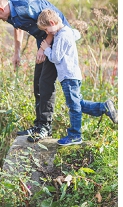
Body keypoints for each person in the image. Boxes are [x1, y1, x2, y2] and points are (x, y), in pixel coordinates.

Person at [0, 0, 70, 142]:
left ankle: (45, 127)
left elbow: (52, 23)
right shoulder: (9, 13)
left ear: (1, 9)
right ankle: (38, 125)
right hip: (44, 42)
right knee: (37, 82)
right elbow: (18, 27)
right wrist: (17, 53)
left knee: (45, 82)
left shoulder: (28, 6)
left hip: (57, 38)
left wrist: (45, 47)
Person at [36, 9, 117, 145]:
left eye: (46, 29)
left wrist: (46, 48)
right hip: (72, 75)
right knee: (79, 104)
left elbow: (56, 57)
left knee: (74, 106)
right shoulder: (67, 32)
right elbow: (77, 34)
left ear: (52, 22)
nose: (47, 33)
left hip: (68, 76)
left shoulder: (61, 36)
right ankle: (104, 108)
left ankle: (75, 135)